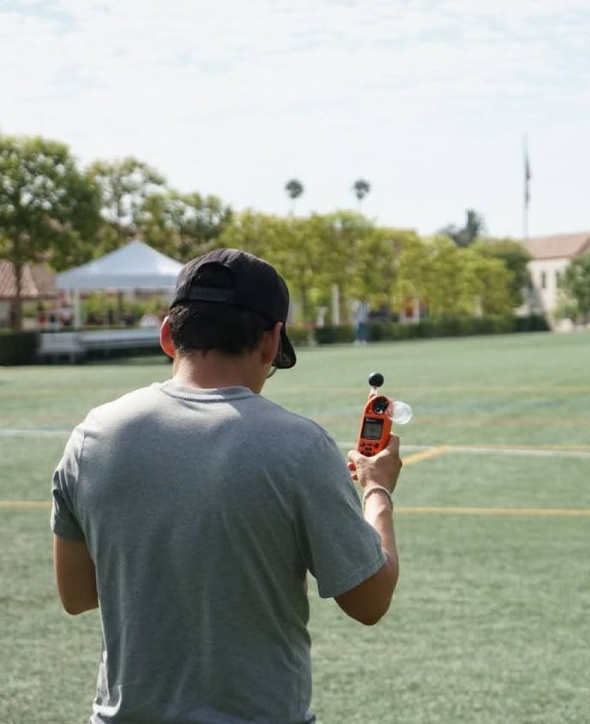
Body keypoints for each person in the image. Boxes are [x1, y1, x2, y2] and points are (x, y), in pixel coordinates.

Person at [51, 248, 402, 723]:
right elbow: (370, 600)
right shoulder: (299, 446)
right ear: (270, 341)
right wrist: (377, 491)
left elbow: (76, 595)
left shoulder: (92, 435)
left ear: (168, 335)